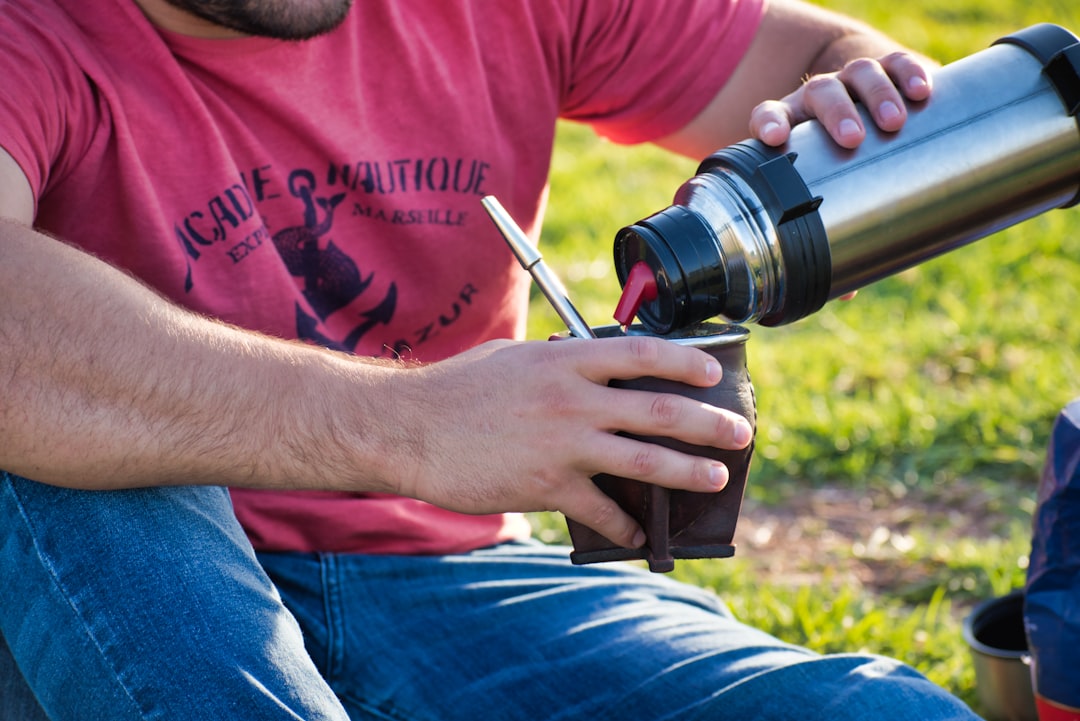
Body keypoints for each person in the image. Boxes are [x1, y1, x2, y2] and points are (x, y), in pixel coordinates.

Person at [0, 0, 976, 718]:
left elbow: (807, 52)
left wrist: (858, 98)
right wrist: (407, 424)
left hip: (444, 573)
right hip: (119, 561)